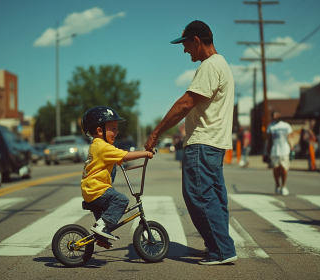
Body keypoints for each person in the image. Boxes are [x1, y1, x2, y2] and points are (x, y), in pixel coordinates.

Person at [144, 20, 237, 265]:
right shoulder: (223, 64)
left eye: (185, 44)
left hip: (202, 143)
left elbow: (186, 103)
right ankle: (219, 245)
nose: (185, 50)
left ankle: (222, 249)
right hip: (215, 144)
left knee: (199, 195)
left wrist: (155, 134)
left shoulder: (209, 66)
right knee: (214, 198)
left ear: (196, 40)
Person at [80, 106, 153, 240]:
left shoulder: (96, 145)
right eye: (113, 128)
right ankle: (100, 227)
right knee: (121, 200)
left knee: (104, 216)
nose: (117, 132)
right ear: (99, 130)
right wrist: (146, 154)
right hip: (97, 189)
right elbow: (124, 155)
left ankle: (101, 236)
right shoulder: (103, 147)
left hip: (90, 190)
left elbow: (112, 160)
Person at [266, 111, 293, 196]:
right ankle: (277, 185)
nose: (276, 116)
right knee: (276, 169)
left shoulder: (286, 125)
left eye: (277, 115)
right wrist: (267, 150)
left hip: (285, 150)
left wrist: (292, 147)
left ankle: (284, 186)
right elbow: (269, 140)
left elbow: (290, 137)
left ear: (280, 115)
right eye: (274, 115)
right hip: (275, 151)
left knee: (284, 168)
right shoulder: (271, 126)